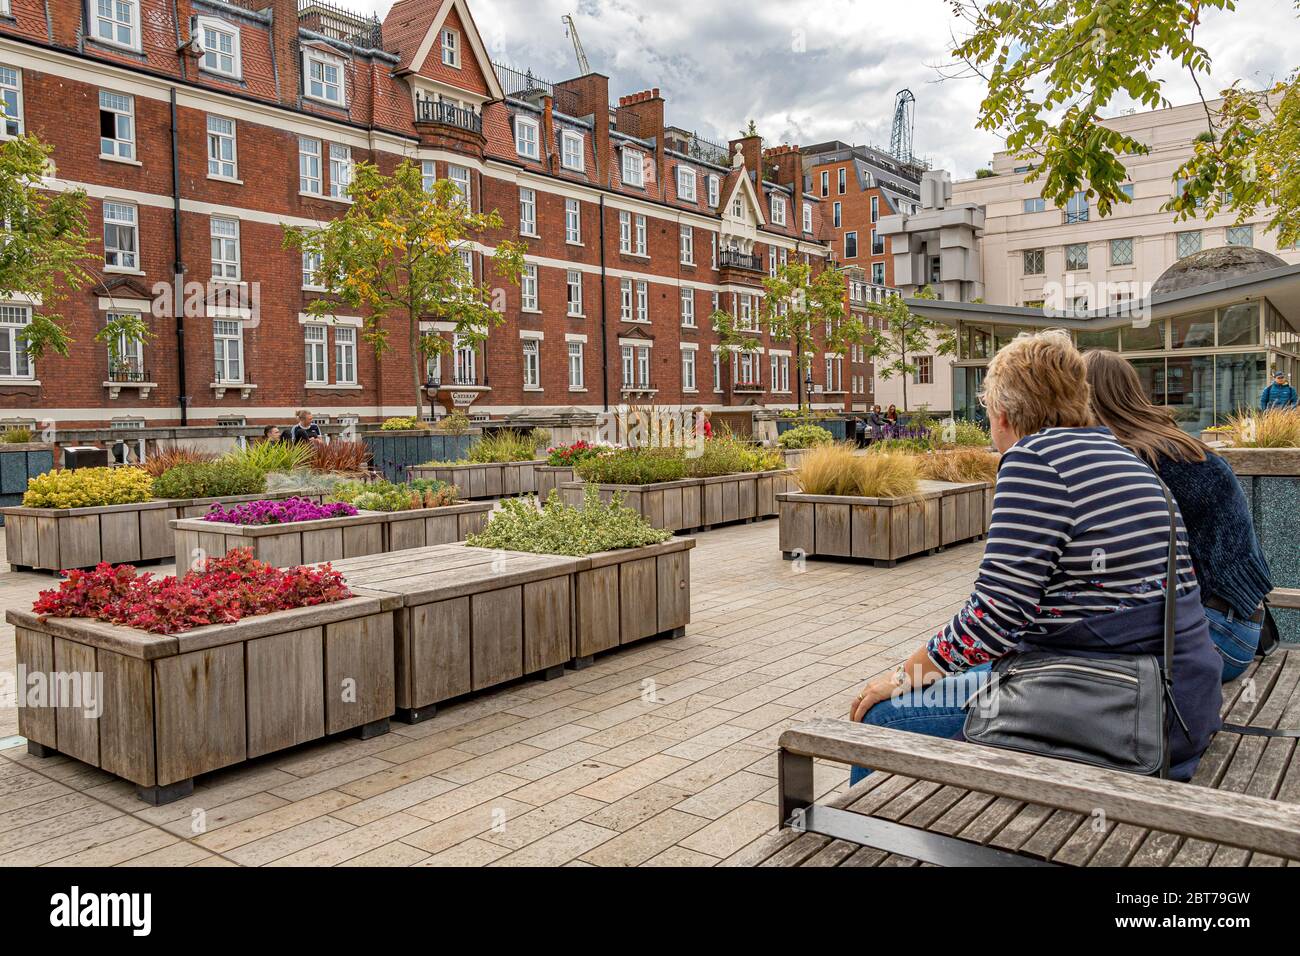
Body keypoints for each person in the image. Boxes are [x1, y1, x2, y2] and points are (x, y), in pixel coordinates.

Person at [848, 330, 1222, 784]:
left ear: (1002, 414)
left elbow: (993, 617)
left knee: (882, 719)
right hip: (1178, 697)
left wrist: (902, 676)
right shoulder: (1120, 455)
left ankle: (878, 846)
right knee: (966, 673)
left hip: (1130, 711)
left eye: (988, 414)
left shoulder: (1035, 459)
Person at [1084, 349, 1273, 680]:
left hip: (1213, 636)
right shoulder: (1176, 444)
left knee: (1044, 674)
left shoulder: (1137, 461)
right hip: (1241, 624)